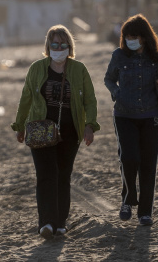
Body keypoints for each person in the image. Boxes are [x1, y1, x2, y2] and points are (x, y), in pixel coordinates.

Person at [11, 24, 100, 239]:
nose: (58, 47)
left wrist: (90, 125)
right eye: (54, 44)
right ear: (48, 46)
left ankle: (60, 223)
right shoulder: (36, 68)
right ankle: (46, 224)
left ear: (69, 46)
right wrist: (19, 125)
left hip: (70, 131)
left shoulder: (79, 69)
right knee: (45, 175)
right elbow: (26, 98)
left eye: (63, 44)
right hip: (41, 130)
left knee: (62, 175)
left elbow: (90, 100)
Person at [103, 14, 158, 226]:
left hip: (152, 116)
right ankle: (128, 199)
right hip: (124, 115)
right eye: (127, 36)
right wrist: (116, 92)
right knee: (129, 158)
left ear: (144, 37)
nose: (130, 40)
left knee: (148, 164)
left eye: (134, 36)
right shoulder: (119, 55)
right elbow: (108, 79)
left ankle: (145, 212)